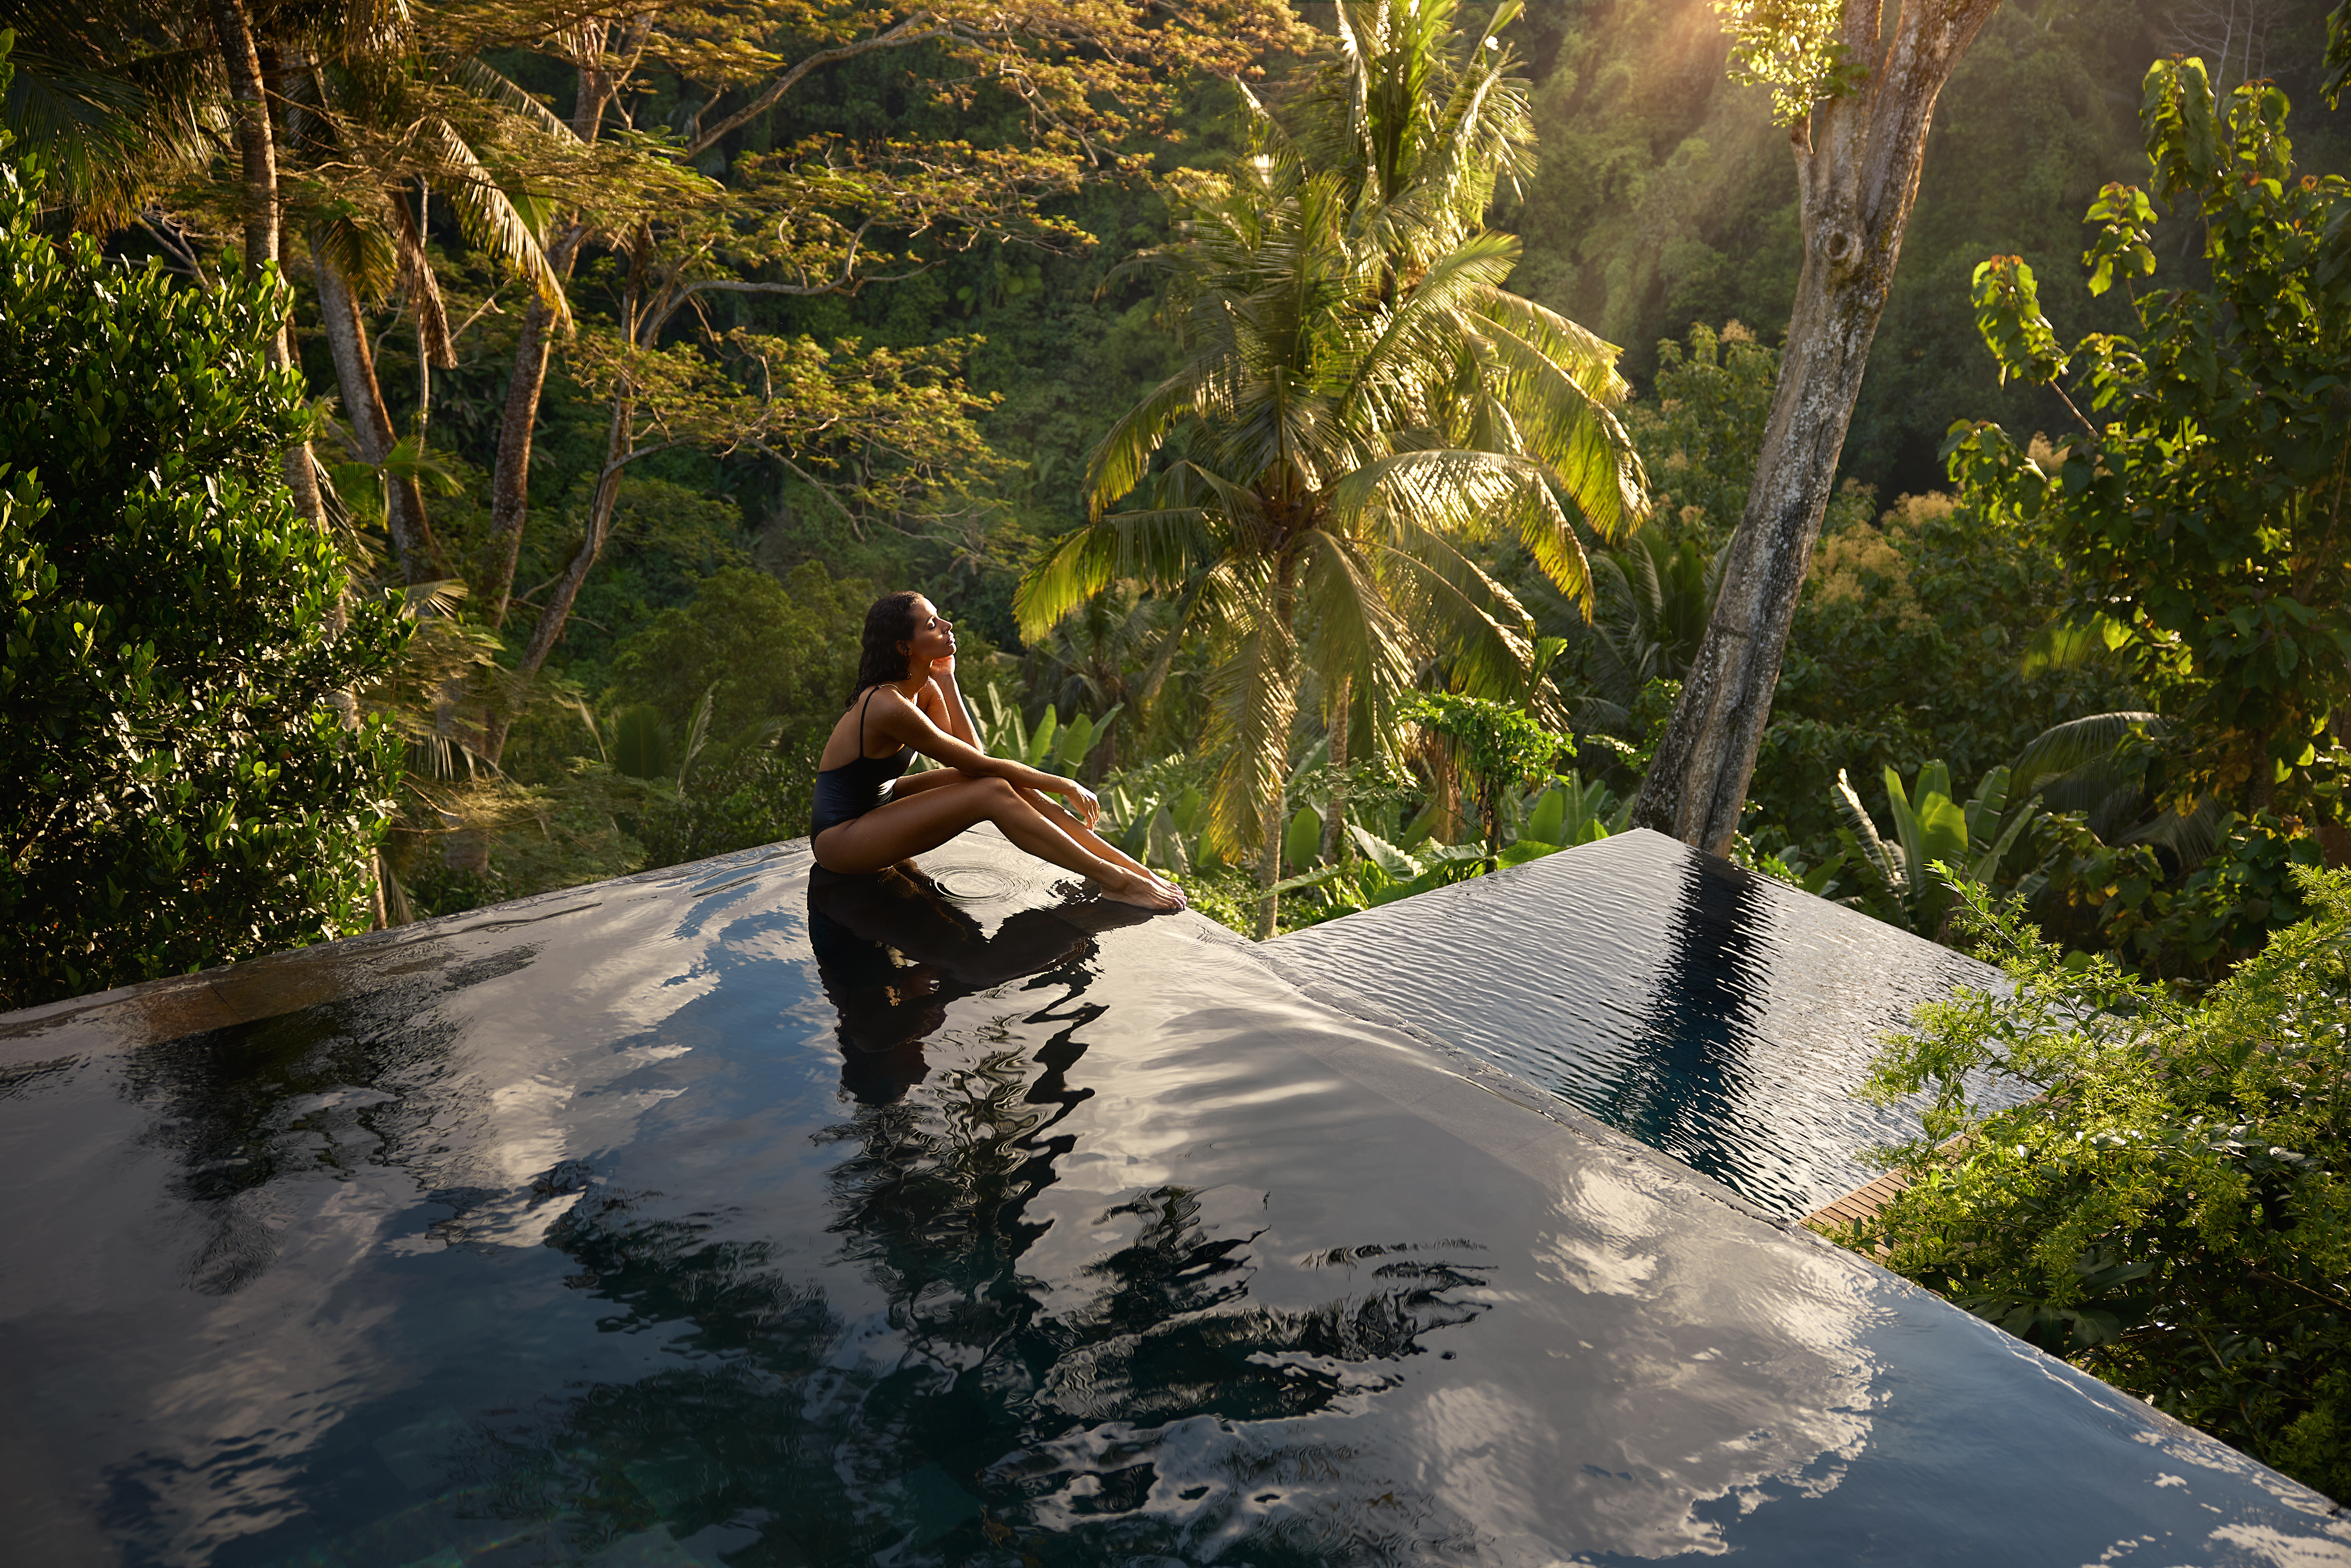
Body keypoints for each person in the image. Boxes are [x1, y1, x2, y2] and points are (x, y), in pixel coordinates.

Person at [809, 592, 1186, 911]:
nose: (947, 626)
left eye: (940, 619)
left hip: (881, 806)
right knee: (992, 792)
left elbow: (972, 757)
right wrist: (1065, 784)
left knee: (997, 784)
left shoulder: (923, 689)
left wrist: (946, 678)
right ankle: (1115, 882)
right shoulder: (886, 704)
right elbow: (978, 764)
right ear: (904, 647)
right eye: (932, 625)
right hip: (842, 839)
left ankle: (1134, 871)